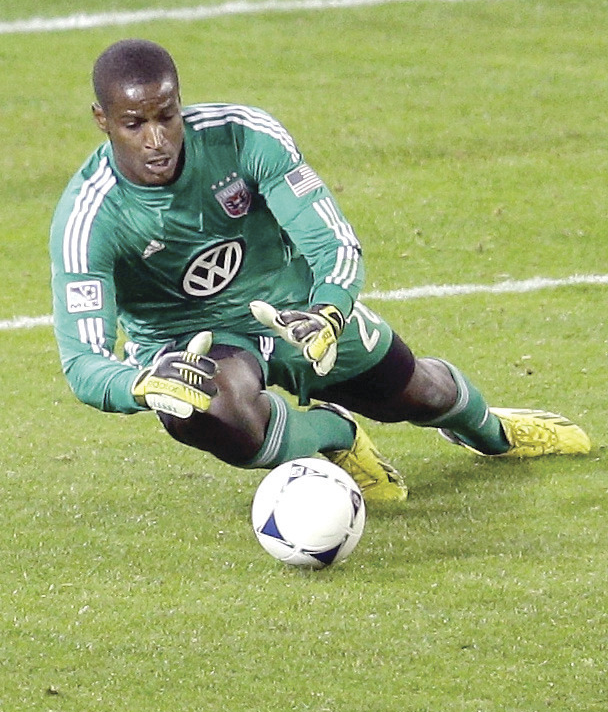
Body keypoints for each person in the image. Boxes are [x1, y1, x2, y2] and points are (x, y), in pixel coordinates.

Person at [50, 39, 590, 504]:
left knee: (420, 392)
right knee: (209, 412)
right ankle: (335, 433)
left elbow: (333, 242)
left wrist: (329, 308)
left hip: (291, 312)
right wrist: (142, 382)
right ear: (102, 120)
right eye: (134, 123)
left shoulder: (243, 137)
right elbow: (82, 362)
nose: (156, 139)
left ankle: (495, 433)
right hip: (190, 345)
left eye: (166, 116)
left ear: (179, 103)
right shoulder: (89, 218)